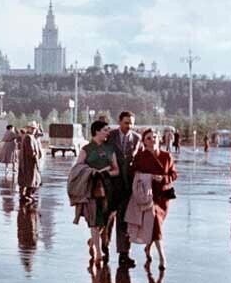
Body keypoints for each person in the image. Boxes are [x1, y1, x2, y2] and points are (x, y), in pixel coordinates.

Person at [128, 128, 177, 269]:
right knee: (154, 221)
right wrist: (143, 177)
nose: (152, 140)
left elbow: (174, 174)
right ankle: (162, 257)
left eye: (154, 136)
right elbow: (133, 172)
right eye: (148, 138)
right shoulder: (140, 156)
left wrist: (164, 178)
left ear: (159, 138)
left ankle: (148, 248)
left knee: (156, 224)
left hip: (162, 196)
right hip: (147, 195)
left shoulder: (166, 156)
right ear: (144, 141)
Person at [73, 119, 119, 267]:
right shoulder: (86, 149)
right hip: (91, 189)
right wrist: (93, 172)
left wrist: (106, 173)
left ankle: (93, 241)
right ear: (97, 131)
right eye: (105, 130)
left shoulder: (109, 149)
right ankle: (98, 252)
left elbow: (116, 169)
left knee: (107, 218)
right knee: (94, 219)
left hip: (108, 188)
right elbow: (77, 168)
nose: (107, 133)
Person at [107, 111, 141, 269]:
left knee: (124, 221)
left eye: (131, 123)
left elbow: (138, 161)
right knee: (107, 219)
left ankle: (123, 254)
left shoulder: (136, 138)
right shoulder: (111, 136)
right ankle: (104, 247)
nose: (129, 126)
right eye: (127, 122)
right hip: (111, 184)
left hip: (127, 186)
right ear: (119, 122)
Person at [18, 122, 42, 203]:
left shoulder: (30, 137)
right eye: (32, 128)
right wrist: (36, 157)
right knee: (31, 179)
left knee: (30, 179)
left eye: (35, 129)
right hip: (29, 162)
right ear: (28, 128)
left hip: (28, 162)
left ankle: (26, 195)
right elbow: (31, 151)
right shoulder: (28, 137)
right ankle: (27, 195)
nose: (34, 130)